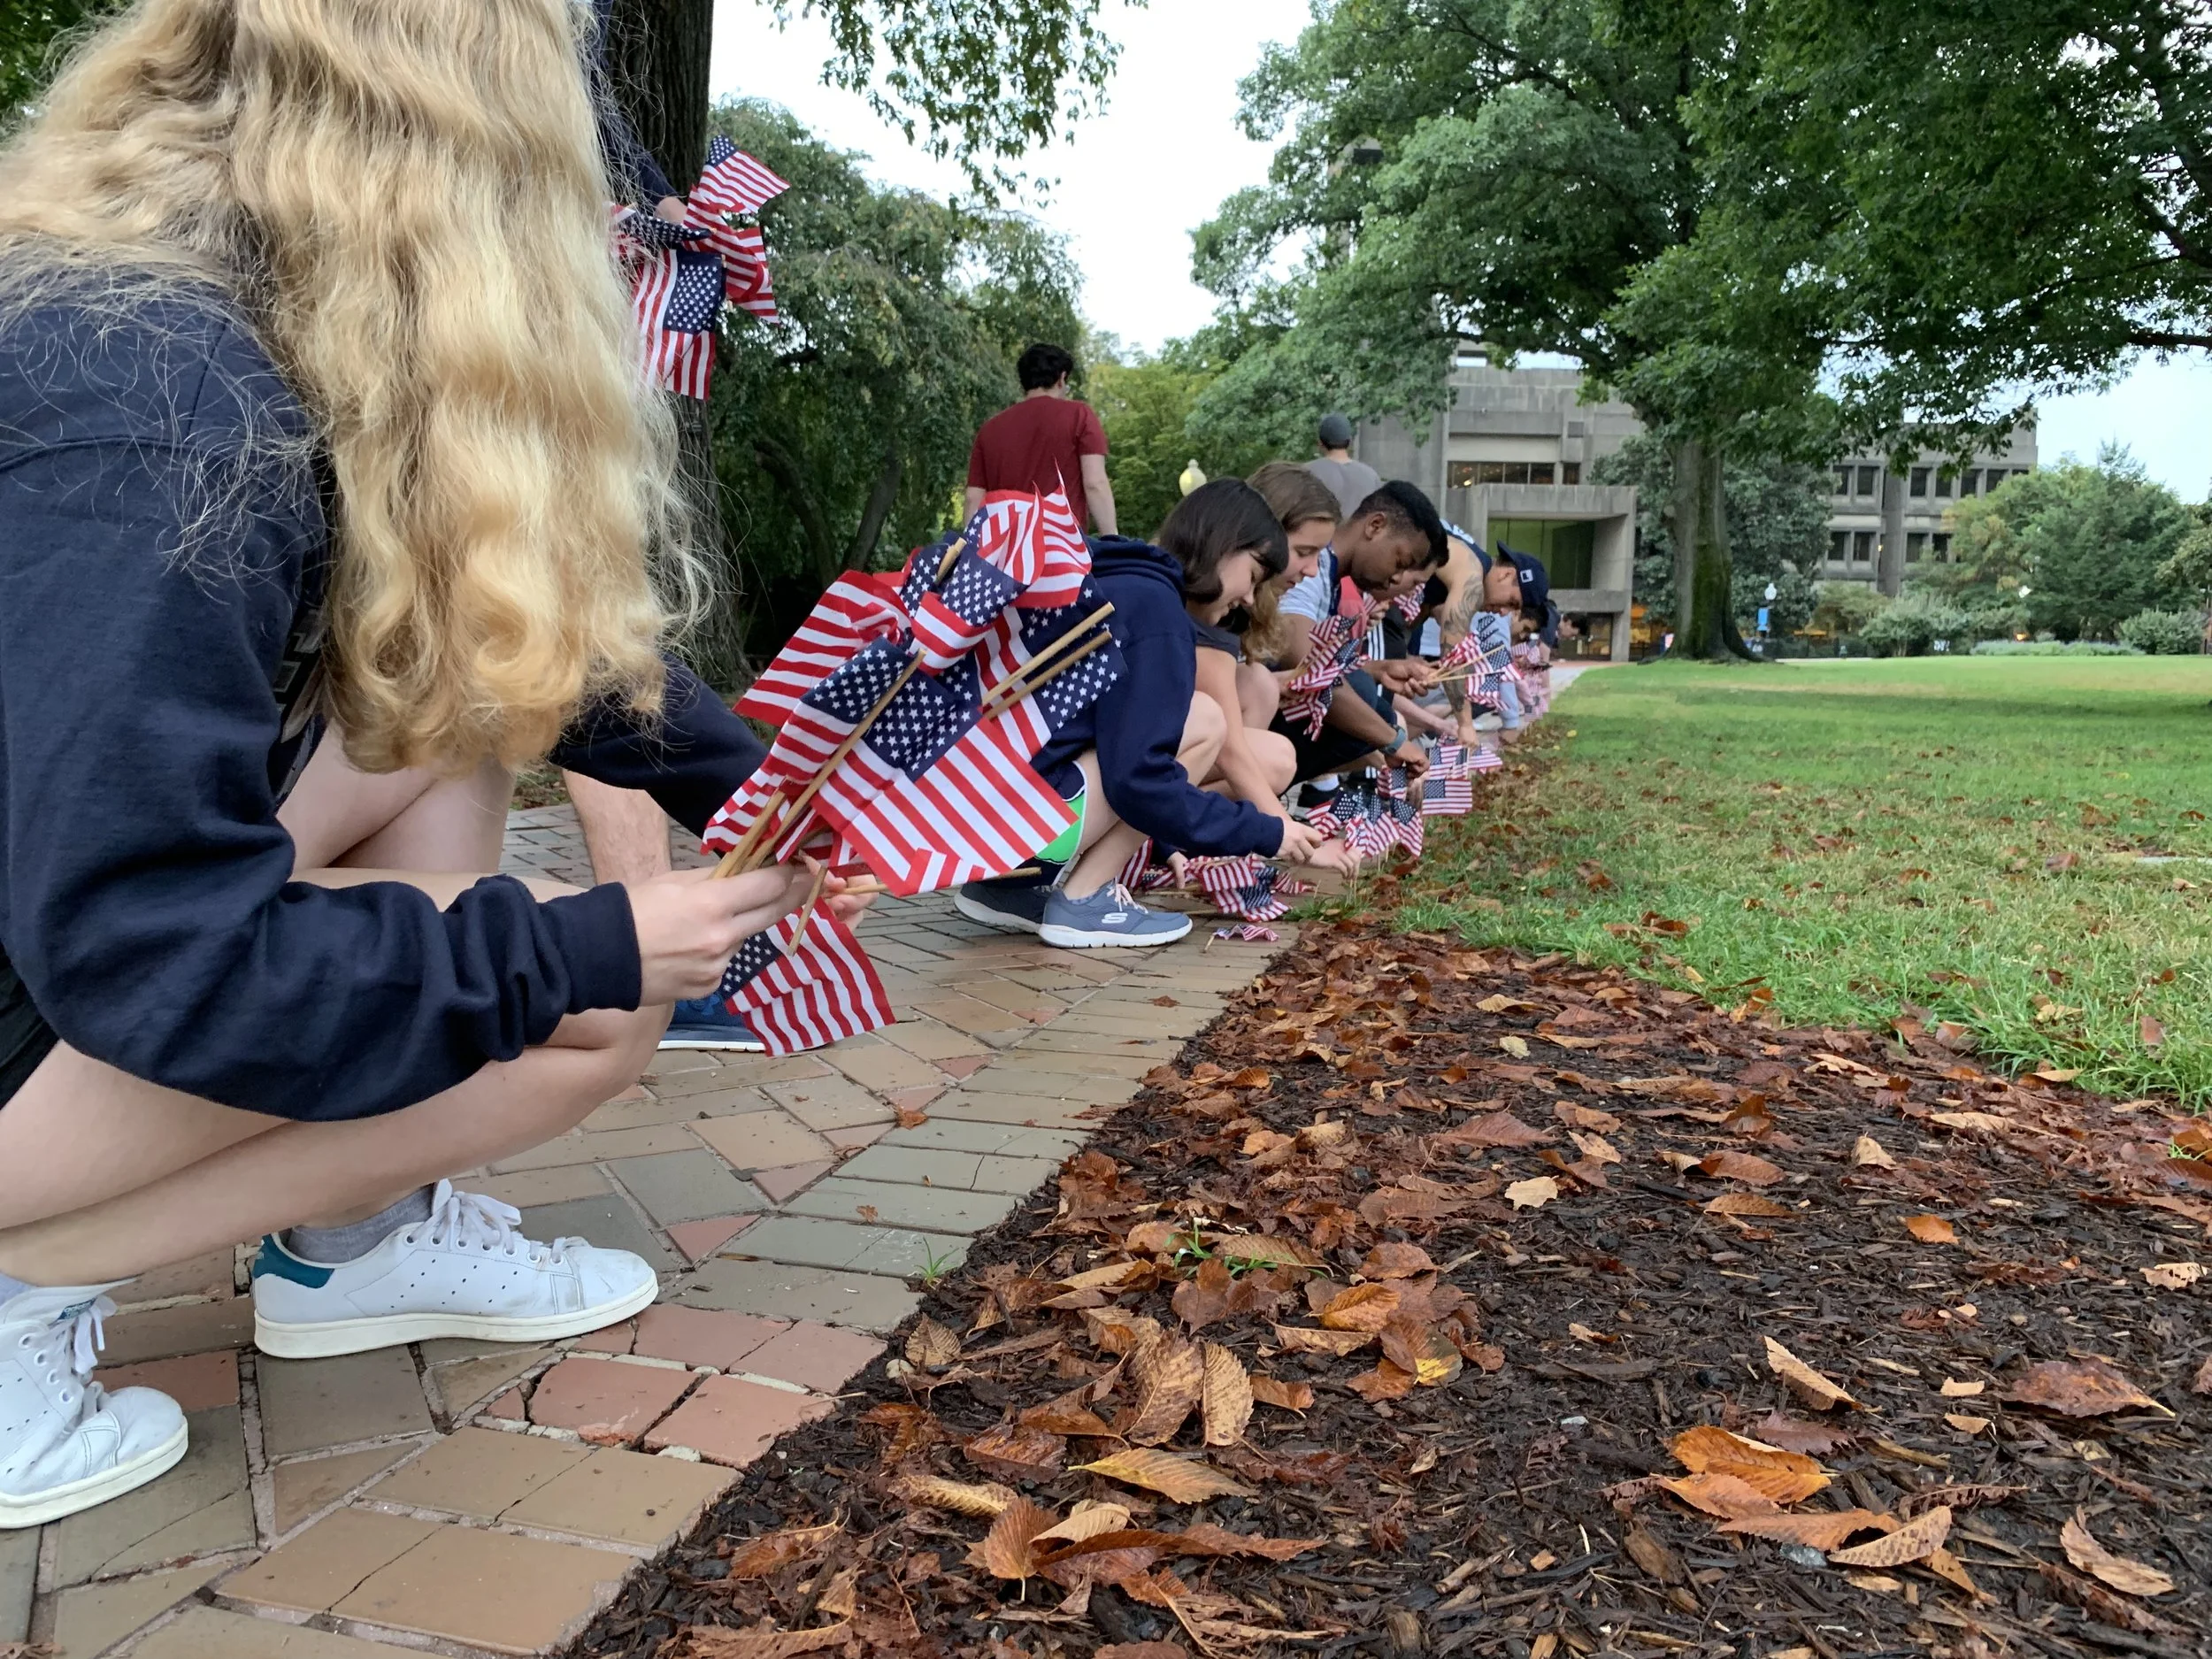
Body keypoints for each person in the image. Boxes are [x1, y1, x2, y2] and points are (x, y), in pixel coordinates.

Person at [0, 0, 831, 1528]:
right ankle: (16, 1288)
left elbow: (509, 653)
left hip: (50, 928)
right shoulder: (162, 410)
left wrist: (776, 781)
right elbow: (150, 945)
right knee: (592, 1021)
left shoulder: (158, 325)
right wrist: (586, 942)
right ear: (464, 148)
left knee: (442, 709)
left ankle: (353, 1244)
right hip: (89, 952)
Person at [953, 481, 1336, 948]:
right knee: (1204, 720)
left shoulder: (1118, 579)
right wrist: (1264, 832)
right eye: (1254, 576)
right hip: (1010, 827)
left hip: (973, 815)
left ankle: (1005, 888)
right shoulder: (1156, 611)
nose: (1252, 599)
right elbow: (1139, 780)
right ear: (1224, 545)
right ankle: (1084, 900)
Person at [1270, 481, 1450, 787]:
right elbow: (1311, 671)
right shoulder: (1313, 571)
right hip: (1238, 701)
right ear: (1375, 526)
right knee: (1367, 704)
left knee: (1370, 702)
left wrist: (1377, 669)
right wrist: (1392, 741)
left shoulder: (1329, 578)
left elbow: (1316, 666)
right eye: (1401, 562)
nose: (1396, 577)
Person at [964, 343, 1118, 534]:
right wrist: (1113, 540)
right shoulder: (1079, 416)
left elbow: (973, 498)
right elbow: (1095, 484)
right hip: (1062, 547)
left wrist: (969, 551)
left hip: (1006, 550)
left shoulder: (989, 429)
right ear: (1061, 379)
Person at [1305, 414, 1383, 521]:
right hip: (1359, 537)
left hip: (1319, 537)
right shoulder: (1371, 476)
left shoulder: (1306, 473)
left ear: (1320, 442)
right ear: (1350, 441)